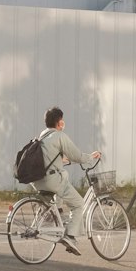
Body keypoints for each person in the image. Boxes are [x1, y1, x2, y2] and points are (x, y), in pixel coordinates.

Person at [37, 107, 101, 255]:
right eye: (62, 120)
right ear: (59, 122)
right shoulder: (59, 136)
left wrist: (61, 159)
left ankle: (52, 212)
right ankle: (70, 236)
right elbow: (77, 156)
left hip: (38, 180)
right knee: (78, 203)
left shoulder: (43, 135)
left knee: (62, 177)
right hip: (52, 180)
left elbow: (48, 157)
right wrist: (91, 157)